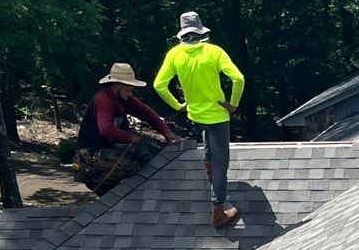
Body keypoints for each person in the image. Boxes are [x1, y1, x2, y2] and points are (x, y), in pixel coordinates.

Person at [154, 12, 245, 229]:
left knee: (208, 145)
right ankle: (218, 213)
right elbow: (238, 78)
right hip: (218, 116)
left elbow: (159, 85)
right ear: (201, 31)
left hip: (195, 115)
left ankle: (211, 180)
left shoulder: (175, 54)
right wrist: (233, 104)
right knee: (222, 162)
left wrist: (178, 105)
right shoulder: (213, 51)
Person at [73, 62, 176, 195]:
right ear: (117, 86)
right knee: (129, 167)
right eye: (128, 90)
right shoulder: (103, 100)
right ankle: (123, 196)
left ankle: (148, 191)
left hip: (109, 149)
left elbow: (146, 113)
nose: (130, 93)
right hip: (90, 156)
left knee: (147, 154)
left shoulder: (123, 98)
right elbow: (106, 128)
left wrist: (166, 132)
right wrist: (130, 139)